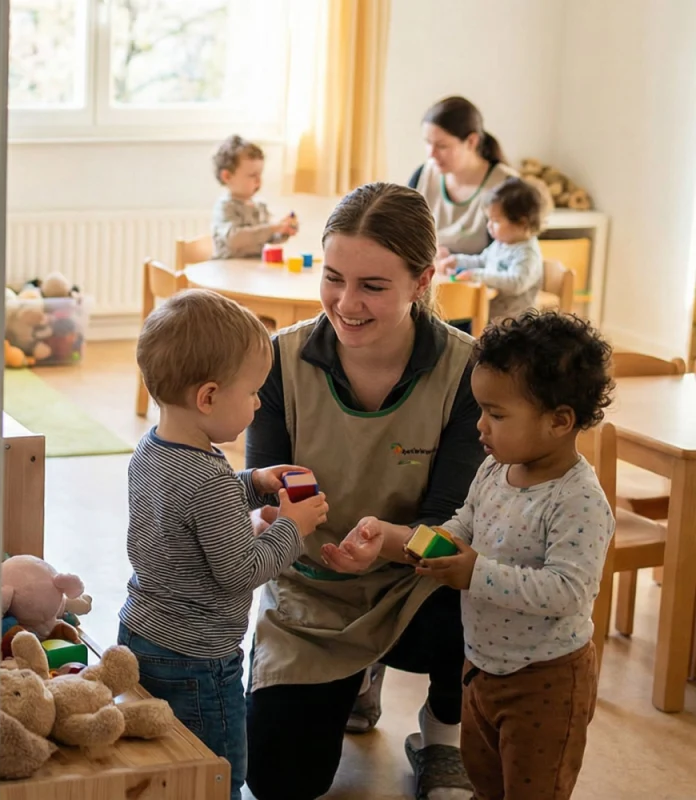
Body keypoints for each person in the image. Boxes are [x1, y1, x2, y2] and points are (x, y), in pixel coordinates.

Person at [243, 182, 484, 800]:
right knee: (278, 782)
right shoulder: (278, 361)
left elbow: (450, 525)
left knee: (492, 595)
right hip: (311, 590)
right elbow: (268, 493)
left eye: (373, 286)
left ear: (422, 280)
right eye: (333, 277)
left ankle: (441, 733)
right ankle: (354, 676)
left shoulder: (469, 372)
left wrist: (387, 544)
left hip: (417, 581)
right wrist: (275, 523)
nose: (346, 304)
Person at [118, 288, 330, 796]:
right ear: (208, 397)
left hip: (143, 632)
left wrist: (253, 481)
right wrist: (292, 526)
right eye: (253, 392)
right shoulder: (209, 479)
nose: (259, 403)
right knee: (218, 774)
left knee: (164, 756)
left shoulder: (151, 449)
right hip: (200, 659)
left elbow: (189, 512)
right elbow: (241, 571)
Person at [400, 310, 613, 798]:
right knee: (484, 780)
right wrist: (439, 541)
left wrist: (476, 573)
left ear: (560, 420)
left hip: (546, 682)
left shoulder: (577, 500)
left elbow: (568, 590)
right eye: (481, 410)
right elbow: (468, 520)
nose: (480, 427)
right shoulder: (496, 470)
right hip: (482, 666)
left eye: (496, 415)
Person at [410, 96, 523, 256]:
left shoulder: (507, 186)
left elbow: (511, 258)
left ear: (471, 141)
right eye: (428, 143)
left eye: (442, 146)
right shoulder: (422, 176)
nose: (431, 154)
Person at [434, 176, 547, 324]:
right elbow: (481, 260)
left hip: (515, 325)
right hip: (490, 318)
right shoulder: (501, 244)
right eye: (489, 220)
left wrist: (476, 276)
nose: (489, 226)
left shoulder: (527, 253)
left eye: (496, 221)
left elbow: (516, 283)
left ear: (521, 222)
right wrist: (456, 261)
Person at [210, 134, 298, 259]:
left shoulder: (259, 205)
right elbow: (234, 239)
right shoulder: (225, 206)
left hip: (252, 270)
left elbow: (268, 237)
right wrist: (273, 228)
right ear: (227, 177)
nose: (258, 180)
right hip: (226, 269)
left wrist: (283, 230)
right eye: (252, 175)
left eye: (260, 174)